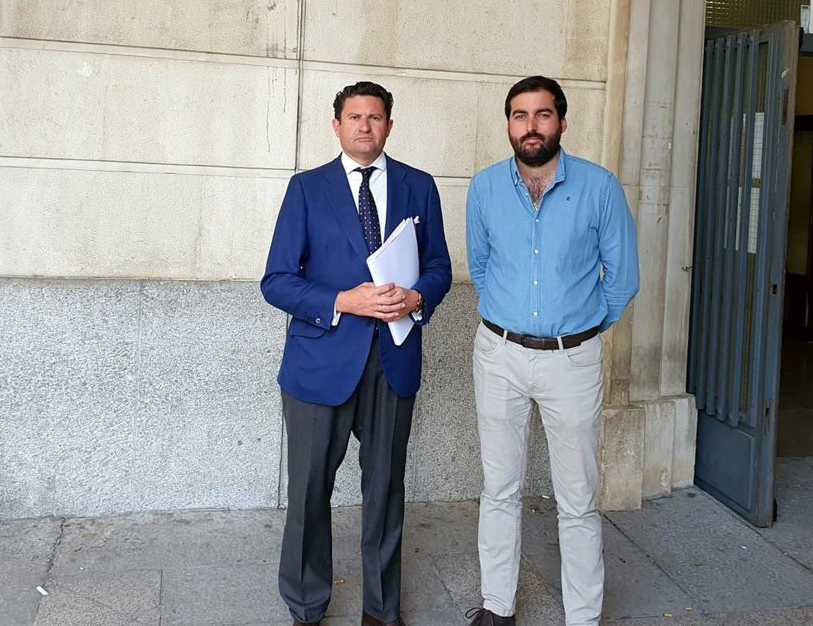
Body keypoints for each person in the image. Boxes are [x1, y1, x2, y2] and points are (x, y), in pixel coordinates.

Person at [262, 80, 453, 626]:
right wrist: (343, 300)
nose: (365, 126)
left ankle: (382, 610)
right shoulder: (306, 188)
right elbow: (277, 281)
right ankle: (306, 606)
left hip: (393, 361)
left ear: (389, 125)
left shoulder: (419, 186)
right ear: (337, 126)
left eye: (375, 117)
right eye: (354, 117)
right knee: (308, 492)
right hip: (320, 363)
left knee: (385, 491)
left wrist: (417, 297)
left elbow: (439, 267)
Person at [464, 75, 640, 626]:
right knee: (499, 488)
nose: (531, 126)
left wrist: (579, 329)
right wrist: (512, 322)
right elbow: (481, 268)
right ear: (509, 124)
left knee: (578, 497)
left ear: (562, 122)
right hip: (499, 355)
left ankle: (582, 616)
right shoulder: (485, 188)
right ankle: (496, 606)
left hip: (572, 360)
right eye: (520, 115)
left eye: (542, 114)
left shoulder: (599, 188)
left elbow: (623, 279)